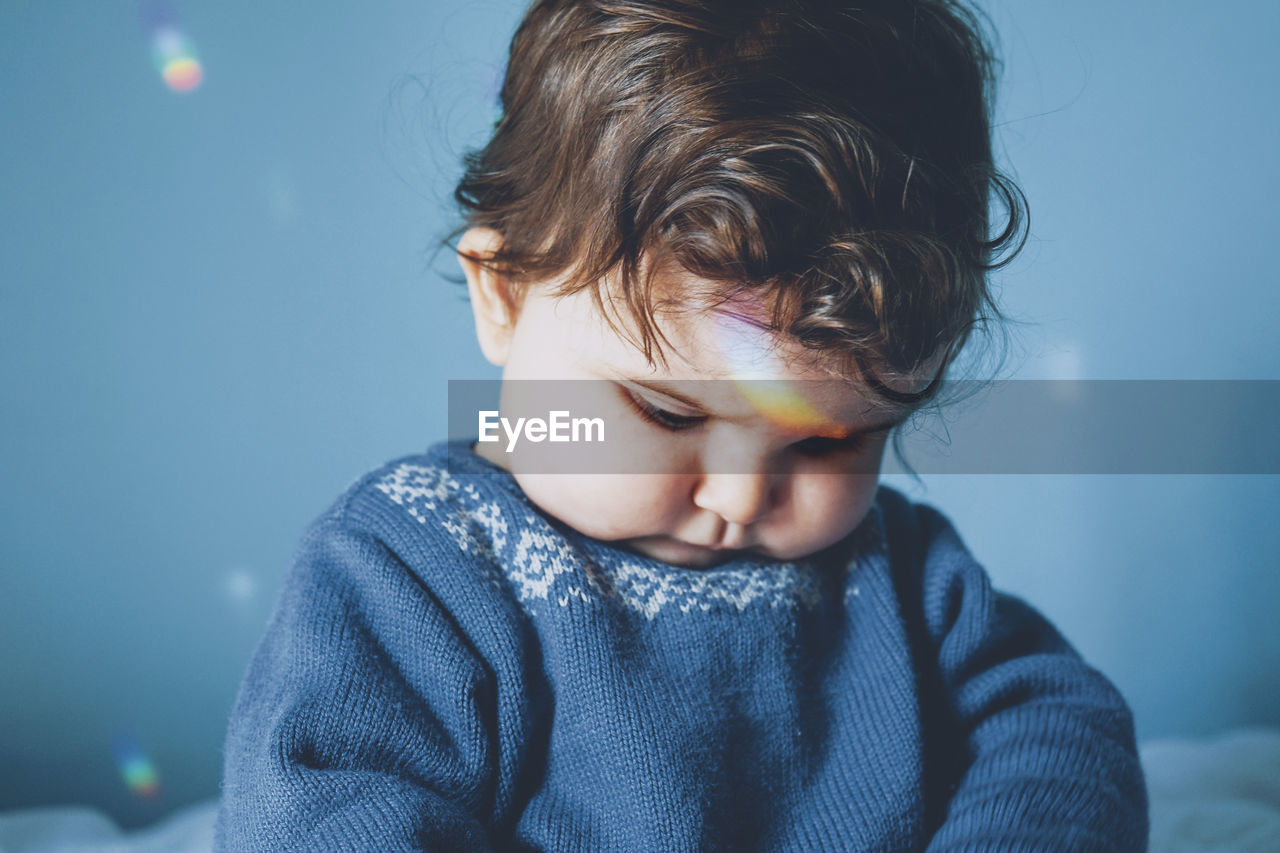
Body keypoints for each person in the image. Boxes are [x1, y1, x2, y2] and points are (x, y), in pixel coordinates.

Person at [215, 0, 1149, 849]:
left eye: (828, 440)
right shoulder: (411, 567)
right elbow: (319, 812)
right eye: (666, 410)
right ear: (502, 295)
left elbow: (1061, 728)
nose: (740, 497)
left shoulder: (903, 576)